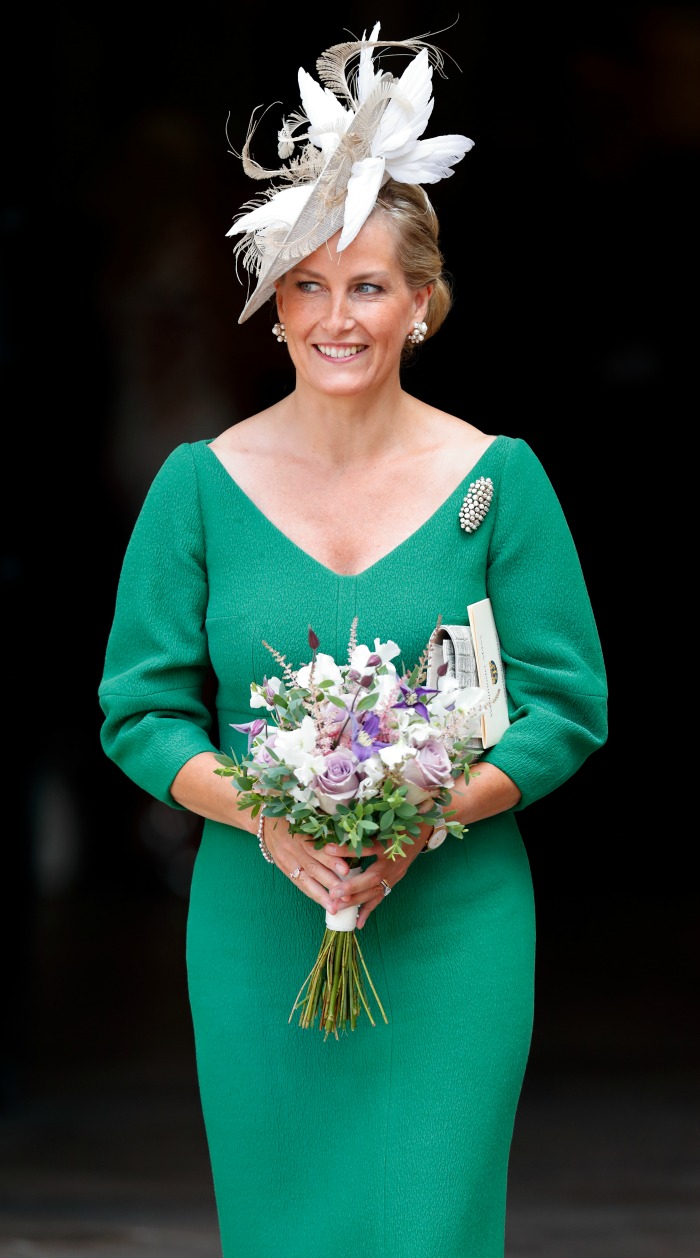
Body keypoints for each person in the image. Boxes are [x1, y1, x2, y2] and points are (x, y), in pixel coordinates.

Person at [98, 22, 608, 1258]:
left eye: (368, 284)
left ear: (421, 303)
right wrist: (269, 818)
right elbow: (140, 710)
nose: (337, 316)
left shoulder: (501, 478)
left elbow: (566, 706)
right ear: (272, 303)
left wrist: (423, 815)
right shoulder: (197, 487)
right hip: (256, 923)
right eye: (308, 284)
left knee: (430, 1226)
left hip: (454, 927)